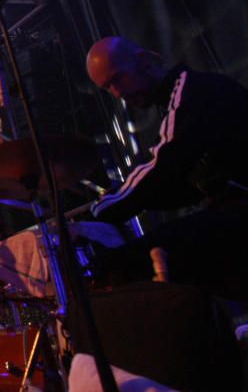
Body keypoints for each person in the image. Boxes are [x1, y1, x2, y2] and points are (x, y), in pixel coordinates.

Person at [86, 36, 248, 296]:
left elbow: (164, 164)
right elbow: (182, 186)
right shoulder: (179, 100)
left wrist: (100, 212)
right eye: (108, 88)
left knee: (131, 261)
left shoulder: (190, 89)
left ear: (146, 61)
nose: (117, 93)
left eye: (117, 79)